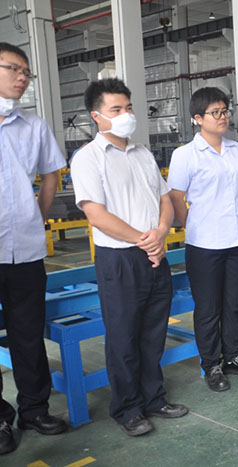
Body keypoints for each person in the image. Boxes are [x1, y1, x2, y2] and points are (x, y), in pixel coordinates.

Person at [71, 78, 188, 437]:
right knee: (123, 337)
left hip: (154, 255)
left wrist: (162, 232)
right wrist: (144, 240)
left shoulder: (143, 154)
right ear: (97, 116)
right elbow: (96, 215)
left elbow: (164, 200)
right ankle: (127, 408)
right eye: (116, 109)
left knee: (153, 333)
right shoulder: (88, 158)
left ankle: (154, 398)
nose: (126, 114)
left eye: (129, 107)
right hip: (120, 259)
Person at [167, 87, 238, 393]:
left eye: (225, 111)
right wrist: (192, 223)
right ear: (197, 118)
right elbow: (176, 197)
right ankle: (212, 364)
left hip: (237, 239)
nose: (223, 117)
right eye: (215, 112)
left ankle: (234, 356)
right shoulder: (185, 155)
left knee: (234, 304)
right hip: (204, 244)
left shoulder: (236, 150)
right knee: (208, 308)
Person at [0, 42, 68, 454]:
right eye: (13, 68)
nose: (22, 77)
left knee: (27, 333)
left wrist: (36, 216)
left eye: (26, 72)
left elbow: (50, 174)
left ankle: (34, 409)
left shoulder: (33, 126)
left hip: (24, 249)